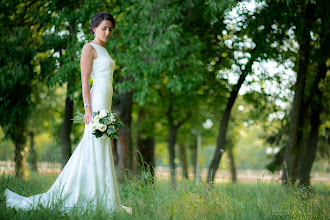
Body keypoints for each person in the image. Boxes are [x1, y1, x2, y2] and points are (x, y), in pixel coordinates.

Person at [4, 11, 132, 215]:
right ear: (94, 28)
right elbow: (84, 80)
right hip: (96, 99)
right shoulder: (88, 48)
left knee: (101, 145)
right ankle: (85, 195)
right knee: (93, 143)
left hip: (105, 100)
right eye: (103, 28)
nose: (107, 32)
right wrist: (88, 108)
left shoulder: (105, 49)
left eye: (110, 29)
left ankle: (102, 197)